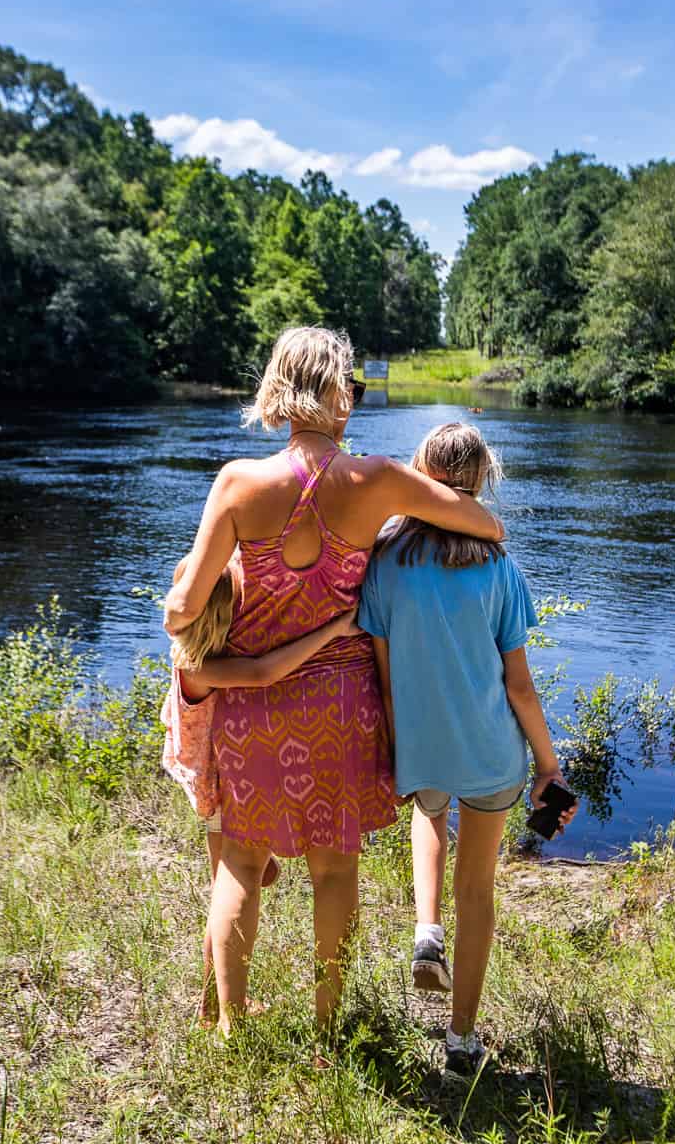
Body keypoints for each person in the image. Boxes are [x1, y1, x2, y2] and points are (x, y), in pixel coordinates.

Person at [163, 326, 505, 1039]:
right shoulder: (377, 479)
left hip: (250, 706)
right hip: (340, 707)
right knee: (334, 872)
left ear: (280, 393)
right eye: (351, 385)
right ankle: (326, 1029)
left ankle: (230, 1026)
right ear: (339, 398)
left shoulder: (237, 483)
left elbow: (180, 612)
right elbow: (484, 525)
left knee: (239, 865)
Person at [358, 422, 578, 1081]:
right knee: (478, 891)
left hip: (422, 744)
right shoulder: (498, 567)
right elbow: (520, 686)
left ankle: (426, 930)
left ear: (421, 473)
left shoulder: (386, 560)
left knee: (429, 814)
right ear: (481, 482)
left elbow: (385, 675)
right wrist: (549, 767)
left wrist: (399, 750)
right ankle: (460, 1042)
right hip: (491, 752)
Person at [162, 552, 362, 1021]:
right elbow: (264, 672)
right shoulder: (208, 667)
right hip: (219, 784)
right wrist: (331, 630)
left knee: (229, 883)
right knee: (228, 884)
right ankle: (217, 1006)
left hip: (214, 778)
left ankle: (215, 1008)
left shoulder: (190, 655)